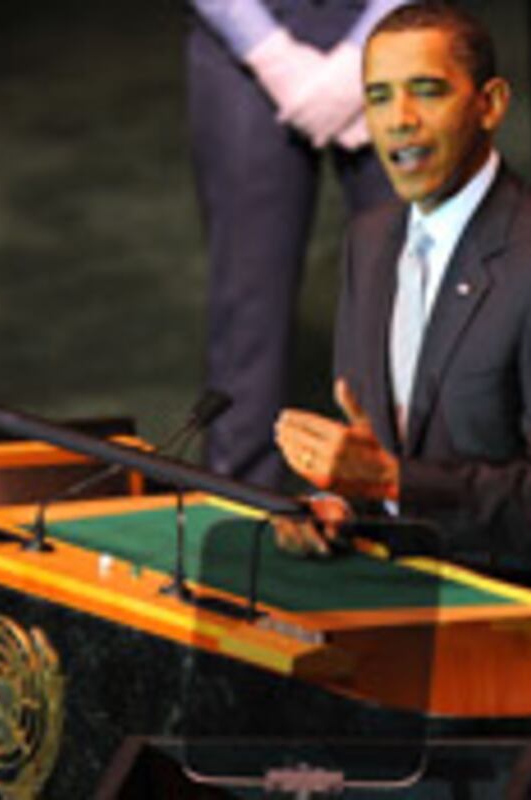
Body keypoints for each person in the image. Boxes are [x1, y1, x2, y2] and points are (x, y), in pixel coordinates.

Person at [274, 3, 531, 641]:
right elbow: (377, 448)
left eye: (427, 91)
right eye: (379, 97)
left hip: (517, 629)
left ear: (490, 105)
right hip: (391, 609)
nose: (399, 120)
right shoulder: (369, 240)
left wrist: (393, 481)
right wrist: (335, 504)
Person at [187, 0, 411, 490]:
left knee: (416, 294)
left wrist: (360, 62)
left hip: (402, 32)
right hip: (246, 37)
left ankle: (416, 503)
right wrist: (273, 57)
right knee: (248, 312)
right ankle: (241, 510)